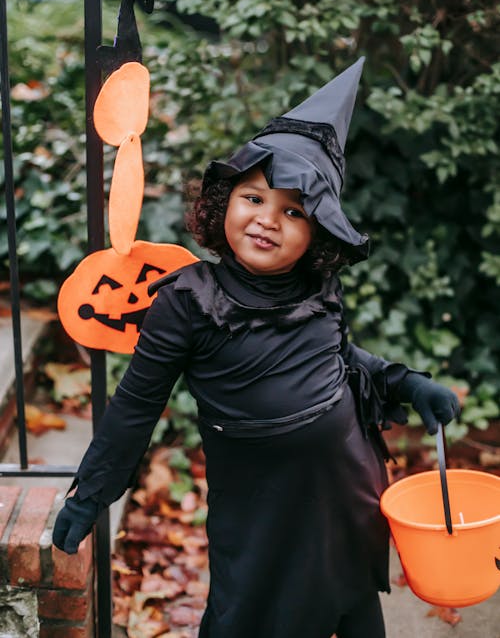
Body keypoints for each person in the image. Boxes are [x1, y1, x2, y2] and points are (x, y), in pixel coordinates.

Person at [53, 57, 460, 638]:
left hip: (346, 493)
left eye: (293, 210)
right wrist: (91, 491)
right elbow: (136, 405)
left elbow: (341, 358)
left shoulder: (318, 290)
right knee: (248, 615)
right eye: (254, 198)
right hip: (258, 505)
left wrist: (407, 382)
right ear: (224, 206)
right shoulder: (188, 301)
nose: (268, 219)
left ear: (317, 233)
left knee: (351, 609)